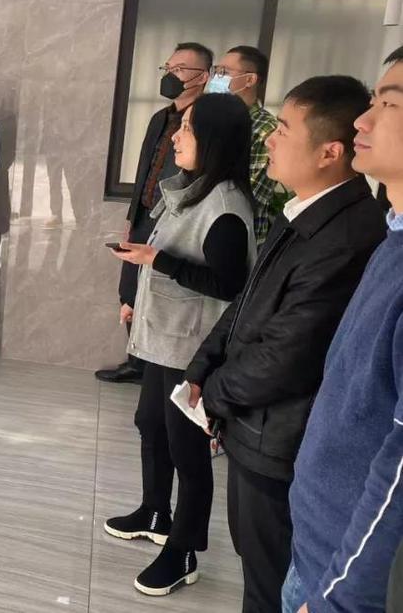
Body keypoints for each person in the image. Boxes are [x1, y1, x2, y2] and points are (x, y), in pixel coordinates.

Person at [184, 76, 386, 613]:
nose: (269, 139)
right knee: (257, 567)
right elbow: (247, 303)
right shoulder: (303, 211)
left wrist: (215, 396)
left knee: (269, 582)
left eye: (284, 129)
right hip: (254, 426)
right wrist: (202, 368)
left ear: (329, 152)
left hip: (278, 440)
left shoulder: (348, 237)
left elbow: (288, 354)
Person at [103, 93, 256, 596]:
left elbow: (230, 285)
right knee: (150, 424)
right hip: (165, 339)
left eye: (186, 128)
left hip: (191, 349)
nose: (175, 137)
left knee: (188, 452)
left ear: (213, 139)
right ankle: (154, 511)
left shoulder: (225, 207)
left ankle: (183, 551)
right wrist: (145, 266)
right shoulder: (193, 190)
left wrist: (157, 260)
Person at [282, 47, 403, 613]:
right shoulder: (392, 240)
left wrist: (340, 598)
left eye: (389, 104)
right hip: (318, 546)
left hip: (342, 580)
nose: (363, 121)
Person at [95, 42, 211, 384]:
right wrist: (132, 217)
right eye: (168, 68)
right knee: (130, 287)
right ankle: (137, 362)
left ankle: (160, 367)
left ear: (203, 76)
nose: (171, 75)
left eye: (180, 69)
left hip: (176, 219)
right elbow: (144, 170)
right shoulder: (160, 118)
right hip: (146, 214)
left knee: (160, 291)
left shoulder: (205, 121)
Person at [206, 45, 282, 244]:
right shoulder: (215, 119)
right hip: (203, 227)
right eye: (217, 71)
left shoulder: (265, 129)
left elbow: (249, 193)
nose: (218, 77)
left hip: (238, 236)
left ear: (250, 79)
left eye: (225, 72)